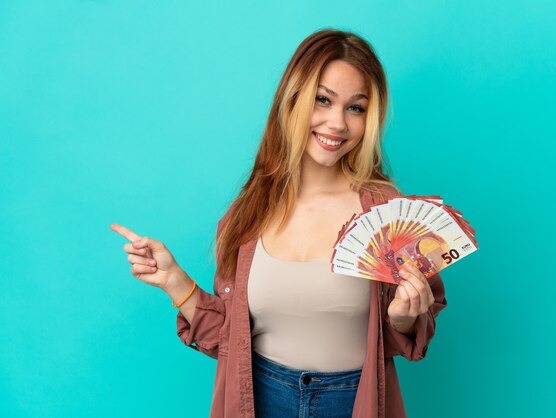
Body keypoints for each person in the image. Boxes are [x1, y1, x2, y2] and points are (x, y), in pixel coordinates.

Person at [111, 28, 447, 418]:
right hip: (259, 400)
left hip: (352, 402)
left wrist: (405, 317)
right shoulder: (249, 212)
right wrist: (175, 282)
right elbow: (231, 342)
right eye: (323, 100)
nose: (336, 123)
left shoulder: (387, 215)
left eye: (355, 107)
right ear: (293, 100)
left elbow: (407, 338)